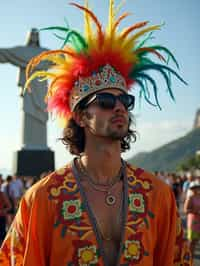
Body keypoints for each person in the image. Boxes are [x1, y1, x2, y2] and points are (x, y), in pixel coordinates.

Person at [0, 1, 192, 265]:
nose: (118, 108)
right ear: (79, 117)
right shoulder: (43, 198)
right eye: (104, 101)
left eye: (125, 101)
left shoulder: (158, 195)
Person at [184, 180, 200, 259]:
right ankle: (188, 257)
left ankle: (191, 257)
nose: (196, 189)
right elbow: (185, 210)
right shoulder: (190, 197)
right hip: (192, 221)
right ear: (191, 189)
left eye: (197, 188)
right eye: (194, 188)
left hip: (199, 222)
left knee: (196, 240)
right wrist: (195, 211)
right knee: (191, 241)